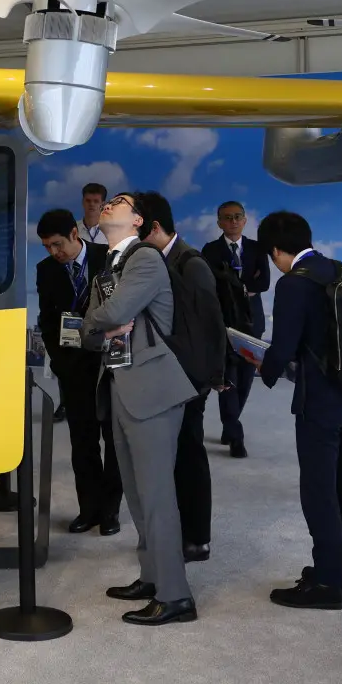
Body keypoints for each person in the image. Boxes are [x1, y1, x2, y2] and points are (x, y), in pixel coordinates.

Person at [82, 192, 199, 626]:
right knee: (135, 492)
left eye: (120, 202)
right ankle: (152, 577)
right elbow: (90, 330)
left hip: (152, 389)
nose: (108, 205)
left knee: (156, 495)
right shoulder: (108, 268)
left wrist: (102, 318)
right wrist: (102, 322)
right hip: (119, 386)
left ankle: (175, 595)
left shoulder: (145, 259)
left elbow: (112, 311)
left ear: (137, 221)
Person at [258, 211, 342, 610]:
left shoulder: (293, 283)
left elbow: (283, 348)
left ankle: (325, 585)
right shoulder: (341, 270)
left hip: (321, 399)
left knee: (318, 490)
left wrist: (261, 366)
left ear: (275, 250)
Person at [137, 191, 227, 563]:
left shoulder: (191, 263)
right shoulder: (158, 261)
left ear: (154, 227)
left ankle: (198, 538)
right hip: (165, 374)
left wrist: (213, 376)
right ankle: (177, 532)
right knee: (172, 457)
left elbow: (212, 322)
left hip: (189, 377)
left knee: (190, 454)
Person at [35, 209, 122, 536]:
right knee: (82, 443)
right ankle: (89, 509)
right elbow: (47, 321)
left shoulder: (109, 257)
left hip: (109, 367)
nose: (53, 252)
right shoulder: (46, 271)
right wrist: (59, 363)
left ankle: (111, 511)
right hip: (73, 368)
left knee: (114, 442)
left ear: (75, 234)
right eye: (46, 247)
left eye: (57, 244)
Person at [202, 200, 270, 457]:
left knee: (245, 379)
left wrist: (235, 286)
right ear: (219, 222)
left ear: (244, 220)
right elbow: (210, 283)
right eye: (227, 217)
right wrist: (241, 287)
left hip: (252, 323)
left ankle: (229, 426)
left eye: (237, 216)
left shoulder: (256, 249)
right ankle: (235, 434)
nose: (232, 221)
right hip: (224, 322)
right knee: (228, 379)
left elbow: (263, 280)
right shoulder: (211, 250)